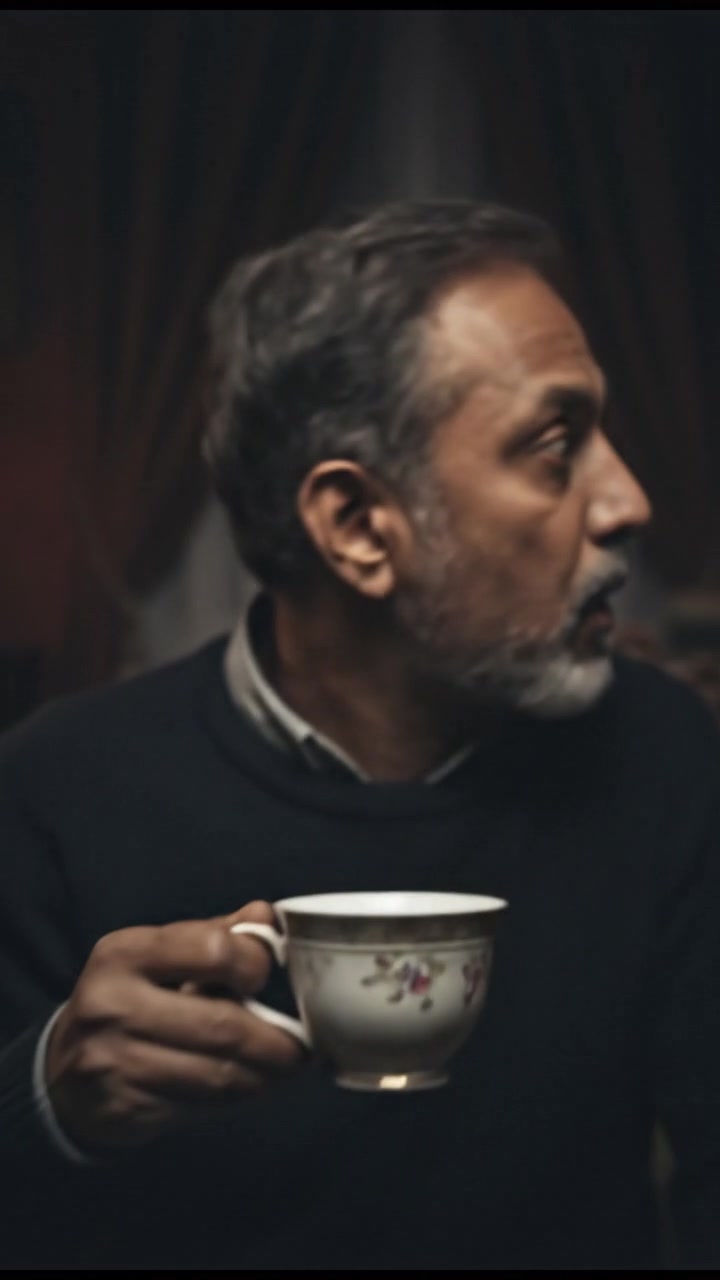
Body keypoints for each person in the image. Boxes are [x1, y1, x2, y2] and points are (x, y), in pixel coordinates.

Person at [1, 199, 718, 1271]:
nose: (628, 500)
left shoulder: (664, 753)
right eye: (556, 445)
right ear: (356, 528)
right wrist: (49, 1100)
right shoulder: (53, 789)